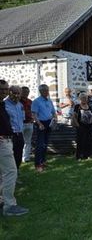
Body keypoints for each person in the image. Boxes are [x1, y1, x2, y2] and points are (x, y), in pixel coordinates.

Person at [0, 79, 29, 216]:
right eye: (3, 90)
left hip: (13, 137)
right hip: (3, 142)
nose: (4, 92)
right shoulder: (5, 104)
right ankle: (9, 206)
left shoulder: (13, 105)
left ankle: (3, 199)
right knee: (10, 172)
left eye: (5, 89)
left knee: (9, 170)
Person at [31, 84, 57, 172]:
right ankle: (37, 164)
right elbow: (34, 114)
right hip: (40, 124)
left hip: (49, 123)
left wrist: (55, 119)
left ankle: (43, 161)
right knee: (40, 145)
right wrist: (39, 124)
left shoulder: (49, 101)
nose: (47, 92)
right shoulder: (36, 101)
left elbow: (53, 112)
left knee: (45, 144)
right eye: (45, 90)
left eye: (47, 90)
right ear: (41, 91)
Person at [4, 86, 25, 171]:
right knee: (8, 158)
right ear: (9, 93)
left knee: (18, 156)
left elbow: (22, 119)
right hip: (9, 135)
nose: (16, 95)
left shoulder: (20, 105)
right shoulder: (4, 104)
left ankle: (16, 175)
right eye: (14, 93)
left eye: (18, 93)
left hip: (19, 134)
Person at [72, 93, 92, 160]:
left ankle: (87, 155)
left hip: (89, 126)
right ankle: (78, 156)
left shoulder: (89, 106)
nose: (85, 99)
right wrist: (77, 125)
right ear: (80, 99)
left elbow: (91, 116)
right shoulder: (77, 106)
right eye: (83, 98)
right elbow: (74, 117)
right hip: (81, 126)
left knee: (88, 141)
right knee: (80, 141)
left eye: (86, 98)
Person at [20, 86, 34, 163]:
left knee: (28, 141)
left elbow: (33, 111)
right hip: (20, 124)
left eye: (27, 92)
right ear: (21, 92)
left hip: (29, 123)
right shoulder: (18, 101)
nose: (26, 93)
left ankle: (26, 158)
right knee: (19, 141)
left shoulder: (30, 101)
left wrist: (33, 118)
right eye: (24, 92)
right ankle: (19, 156)